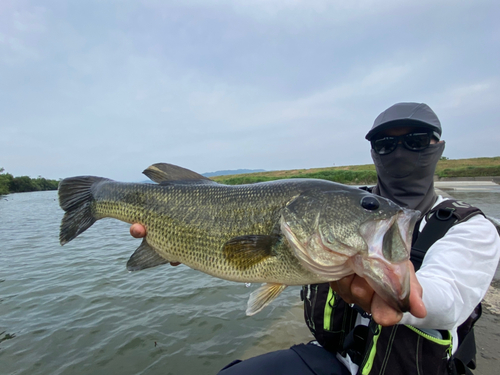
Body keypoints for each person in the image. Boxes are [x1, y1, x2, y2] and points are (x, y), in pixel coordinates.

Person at [129, 102, 500, 375]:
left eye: (416, 141)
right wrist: (179, 239)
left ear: (438, 147)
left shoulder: (470, 228)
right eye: (385, 144)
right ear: (373, 152)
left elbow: (448, 298)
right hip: (331, 361)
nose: (399, 151)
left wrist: (405, 293)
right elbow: (246, 253)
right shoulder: (336, 200)